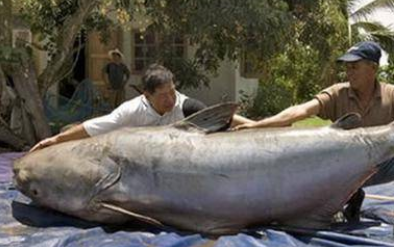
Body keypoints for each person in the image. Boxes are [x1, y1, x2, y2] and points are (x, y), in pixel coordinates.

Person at [235, 41, 394, 235]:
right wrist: (256, 125)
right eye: (347, 68)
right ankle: (349, 198)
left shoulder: (393, 95)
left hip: (382, 164)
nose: (349, 72)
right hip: (343, 171)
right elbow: (301, 110)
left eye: (355, 67)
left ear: (373, 68)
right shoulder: (338, 93)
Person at [31, 64, 253, 152]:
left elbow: (224, 118)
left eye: (172, 91)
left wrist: (260, 125)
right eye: (163, 95)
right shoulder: (130, 111)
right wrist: (55, 141)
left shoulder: (185, 105)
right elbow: (92, 127)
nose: (170, 99)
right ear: (146, 95)